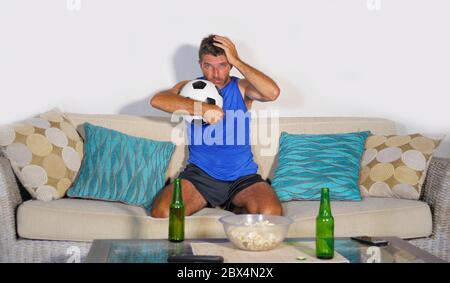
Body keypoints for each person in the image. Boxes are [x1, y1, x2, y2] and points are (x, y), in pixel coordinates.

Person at [150, 34, 282, 218]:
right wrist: (202, 108)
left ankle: (236, 204)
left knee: (270, 213)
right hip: (200, 176)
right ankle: (231, 206)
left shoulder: (242, 88)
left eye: (223, 65)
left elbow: (272, 93)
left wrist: (237, 61)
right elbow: (158, 100)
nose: (216, 74)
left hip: (242, 177)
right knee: (163, 212)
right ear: (200, 64)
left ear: (230, 65)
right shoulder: (189, 88)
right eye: (208, 66)